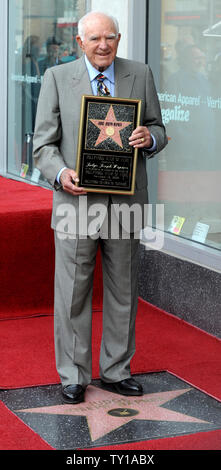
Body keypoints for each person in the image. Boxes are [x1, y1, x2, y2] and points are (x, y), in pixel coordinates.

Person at [33, 11, 167, 404]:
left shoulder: (139, 73)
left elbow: (159, 127)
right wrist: (60, 175)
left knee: (124, 290)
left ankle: (115, 370)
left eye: (110, 37)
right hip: (75, 203)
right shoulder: (56, 78)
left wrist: (150, 138)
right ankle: (73, 374)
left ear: (119, 38)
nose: (103, 45)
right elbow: (42, 145)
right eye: (95, 39)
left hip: (126, 203)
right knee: (73, 292)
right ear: (80, 43)